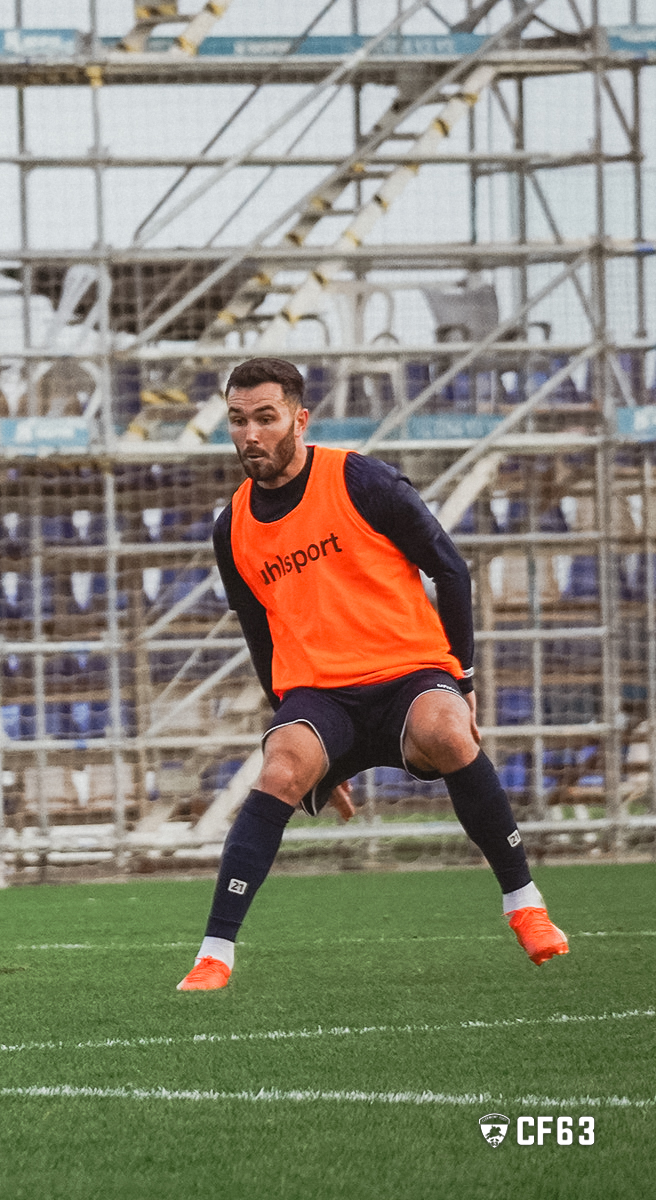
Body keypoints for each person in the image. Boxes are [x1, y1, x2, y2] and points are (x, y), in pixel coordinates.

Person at [176, 356, 569, 991]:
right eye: (238, 420)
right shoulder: (233, 527)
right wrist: (298, 741)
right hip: (320, 696)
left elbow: (450, 569)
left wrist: (462, 681)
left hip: (408, 676)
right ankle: (214, 954)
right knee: (279, 767)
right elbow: (259, 635)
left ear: (300, 420)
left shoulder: (361, 480)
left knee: (447, 731)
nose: (251, 434)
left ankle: (525, 904)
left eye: (266, 418)